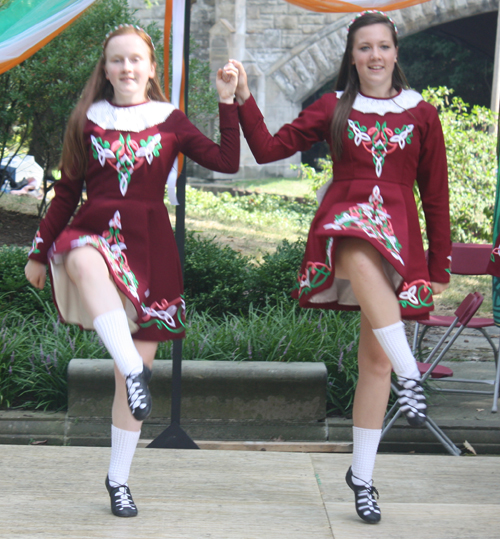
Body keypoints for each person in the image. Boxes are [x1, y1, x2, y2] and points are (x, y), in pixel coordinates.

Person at [230, 10, 450, 524]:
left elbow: (435, 194)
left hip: (400, 240)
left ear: (396, 52)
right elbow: (266, 149)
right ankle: (412, 375)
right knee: (352, 246)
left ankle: (363, 477)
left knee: (374, 364)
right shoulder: (333, 107)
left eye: (383, 46)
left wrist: (437, 263)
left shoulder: (422, 114)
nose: (374, 55)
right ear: (351, 56)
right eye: (364, 47)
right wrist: (242, 98)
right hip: (343, 225)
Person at [25, 24, 240, 518]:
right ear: (105, 68)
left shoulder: (171, 120)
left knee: (135, 379)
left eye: (135, 60)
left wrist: (228, 101)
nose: (125, 68)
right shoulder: (87, 119)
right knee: (78, 255)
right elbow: (66, 193)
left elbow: (226, 161)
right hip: (95, 229)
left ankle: (117, 480)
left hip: (150, 252)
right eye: (116, 60)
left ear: (149, 68)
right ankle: (128, 364)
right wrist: (39, 251)